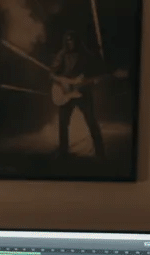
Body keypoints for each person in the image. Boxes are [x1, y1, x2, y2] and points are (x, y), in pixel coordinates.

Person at [50, 31, 107, 160]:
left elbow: (96, 71)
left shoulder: (85, 55)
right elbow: (52, 74)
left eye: (72, 39)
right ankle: (63, 151)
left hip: (83, 93)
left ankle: (100, 152)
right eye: (68, 40)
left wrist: (95, 79)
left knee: (91, 121)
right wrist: (66, 82)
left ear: (77, 40)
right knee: (63, 123)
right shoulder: (61, 55)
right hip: (67, 93)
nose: (70, 42)